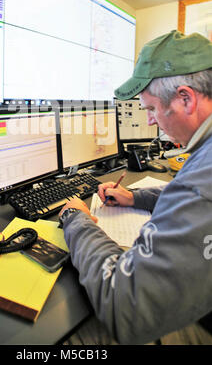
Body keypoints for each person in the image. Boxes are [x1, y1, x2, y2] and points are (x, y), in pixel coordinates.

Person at [59, 30, 212, 345]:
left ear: (186, 98)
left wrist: (77, 220)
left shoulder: (200, 185)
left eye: (152, 109)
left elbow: (123, 305)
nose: (152, 121)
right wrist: (136, 197)